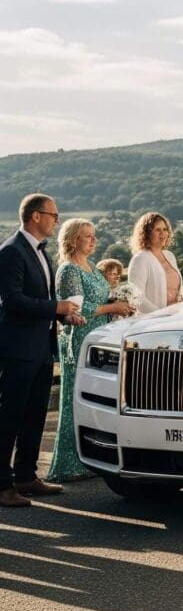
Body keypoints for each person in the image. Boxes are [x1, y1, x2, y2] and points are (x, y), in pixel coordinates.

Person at [0, 194, 84, 507]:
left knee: (34, 415)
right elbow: (12, 300)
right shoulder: (11, 251)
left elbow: (42, 300)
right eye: (53, 215)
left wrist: (63, 315)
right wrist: (56, 307)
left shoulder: (40, 251)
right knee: (9, 418)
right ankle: (2, 486)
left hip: (42, 348)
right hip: (18, 349)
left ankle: (26, 476)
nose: (56, 220)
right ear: (36, 216)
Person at [47, 219, 135, 482]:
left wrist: (121, 302)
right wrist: (112, 308)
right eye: (88, 236)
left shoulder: (93, 268)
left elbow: (100, 298)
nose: (94, 240)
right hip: (80, 339)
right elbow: (76, 309)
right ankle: (69, 463)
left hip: (100, 338)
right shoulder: (69, 270)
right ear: (73, 239)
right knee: (75, 398)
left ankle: (93, 456)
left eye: (94, 235)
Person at [127, 211, 183, 314]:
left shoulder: (170, 256)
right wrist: (161, 314)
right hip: (154, 320)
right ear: (147, 234)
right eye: (157, 230)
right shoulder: (140, 259)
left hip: (177, 315)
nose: (162, 233)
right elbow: (136, 297)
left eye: (165, 229)